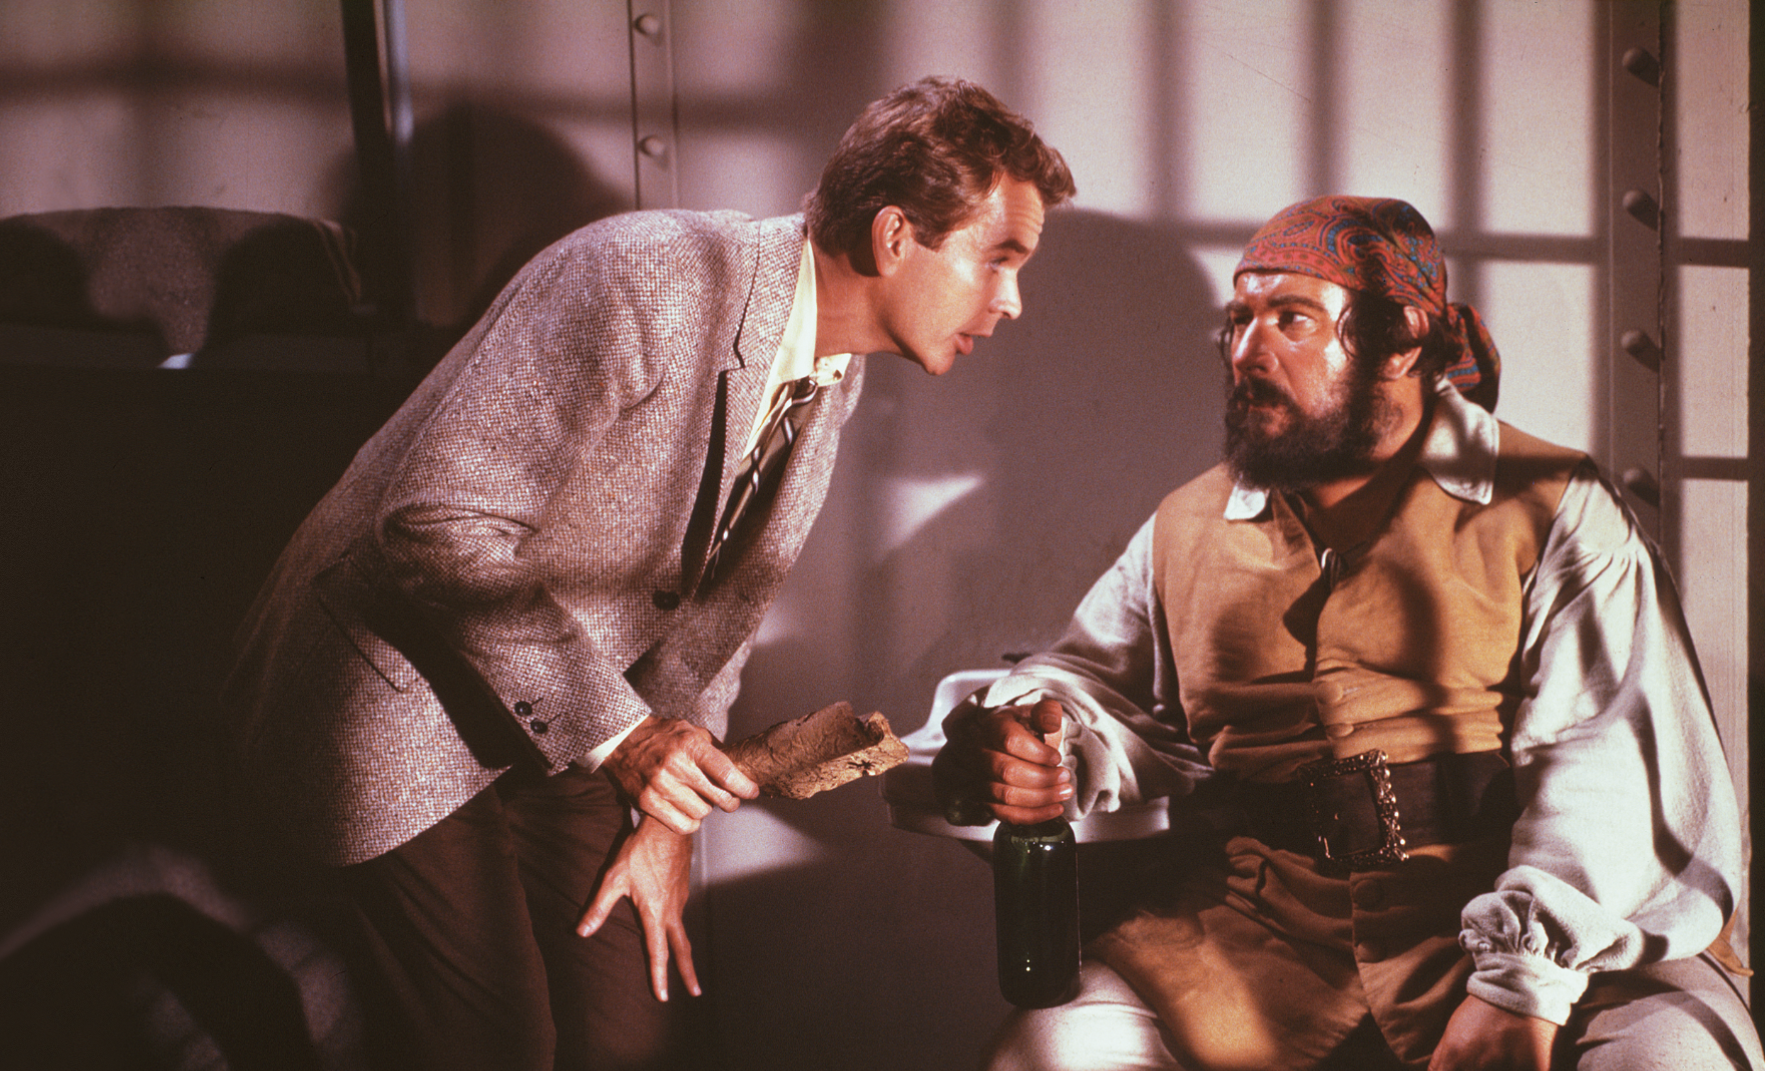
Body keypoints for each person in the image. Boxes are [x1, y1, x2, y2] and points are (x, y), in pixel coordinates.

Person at [222, 76, 1074, 1071]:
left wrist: (668, 817)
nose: (1013, 302)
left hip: (560, 715)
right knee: (501, 1046)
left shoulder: (827, 373)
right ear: (895, 237)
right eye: (999, 258)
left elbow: (714, 619)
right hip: (396, 696)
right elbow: (435, 525)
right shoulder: (646, 278)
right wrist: (627, 741)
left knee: (632, 1034)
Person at [936, 195, 1760, 1071]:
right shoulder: (1186, 524)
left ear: (1400, 339)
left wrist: (1520, 986)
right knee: (1049, 1053)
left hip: (1535, 927)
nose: (1246, 352)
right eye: (1239, 321)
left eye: (1290, 319)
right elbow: (1095, 681)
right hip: (1259, 937)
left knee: (1678, 1059)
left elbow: (1611, 762)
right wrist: (1043, 737)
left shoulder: (1551, 504)